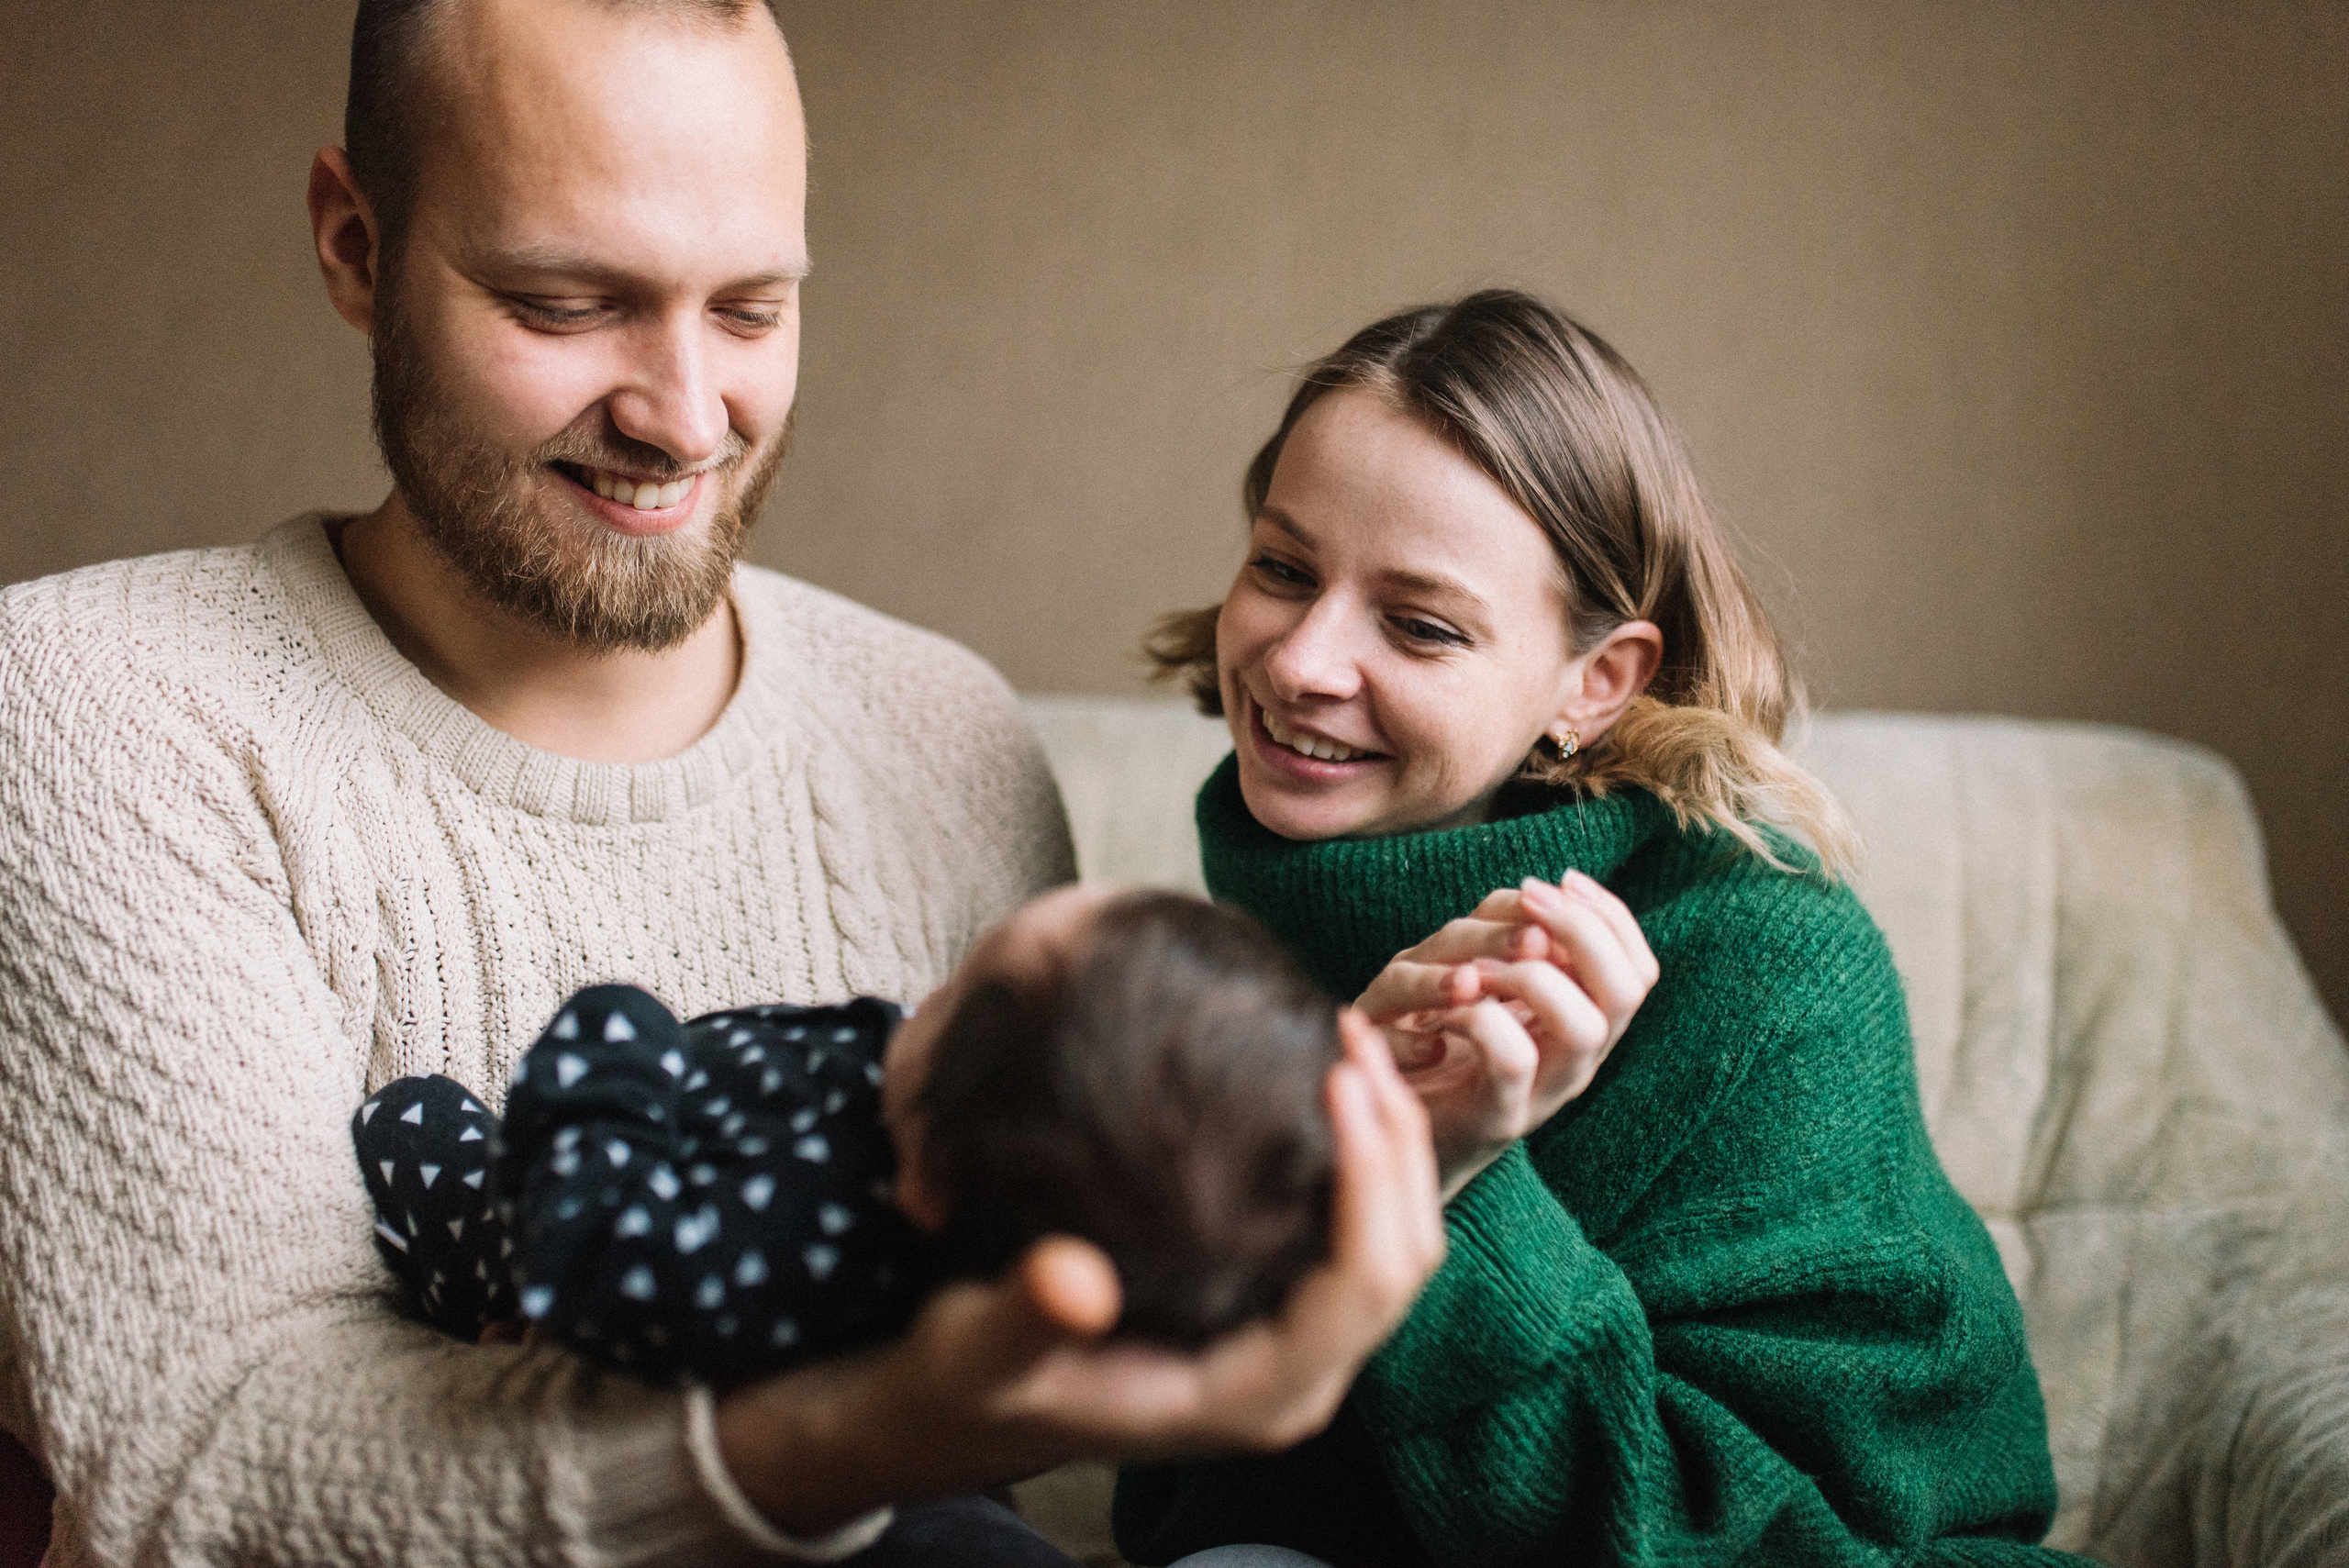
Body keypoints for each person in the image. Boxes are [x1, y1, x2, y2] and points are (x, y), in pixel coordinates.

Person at [0, 2, 1443, 1562]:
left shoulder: (942, 728)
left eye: (751, 308)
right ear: (356, 246)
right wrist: (885, 1425)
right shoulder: (99, 710)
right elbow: (211, 1476)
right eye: (565, 303)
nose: (684, 417)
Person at [1119, 290, 2082, 1567]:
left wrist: (1442, 1189)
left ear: (1595, 682)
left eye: (1419, 624)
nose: (1301, 661)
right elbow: (1195, 1504)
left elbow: (1761, 1540)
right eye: (1284, 568)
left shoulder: (1769, 967)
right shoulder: (1252, 929)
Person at [357, 887, 1344, 1383]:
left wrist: (616, 1035)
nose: (907, 1001)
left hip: (568, 1213)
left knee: (408, 1114)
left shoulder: (796, 1248)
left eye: (950, 997)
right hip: (667, 1140)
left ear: (930, 1172)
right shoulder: (966, 1142)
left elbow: (601, 1248)